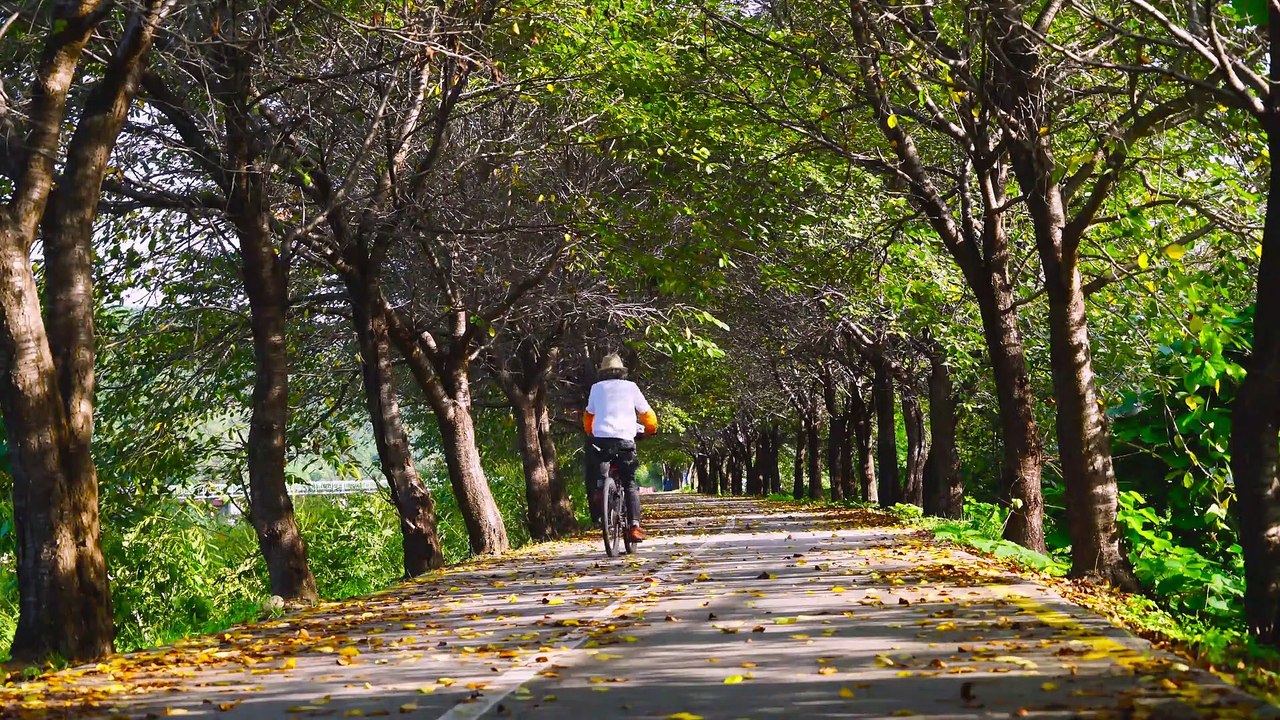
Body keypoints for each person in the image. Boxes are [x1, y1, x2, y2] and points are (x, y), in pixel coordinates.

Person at [583, 354, 657, 543]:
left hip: (601, 442)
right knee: (630, 483)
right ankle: (634, 526)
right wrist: (650, 430)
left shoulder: (596, 388)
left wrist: (591, 432)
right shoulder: (631, 387)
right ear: (621, 371)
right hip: (625, 441)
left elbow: (589, 416)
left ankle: (602, 497)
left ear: (603, 372)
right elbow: (647, 414)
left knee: (600, 475)